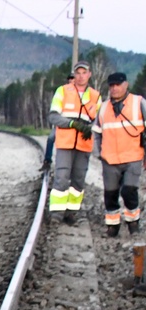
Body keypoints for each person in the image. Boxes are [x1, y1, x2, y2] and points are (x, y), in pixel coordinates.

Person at [47, 60, 101, 224]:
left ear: (89, 75)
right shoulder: (62, 91)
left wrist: (89, 128)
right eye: (78, 73)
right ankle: (56, 213)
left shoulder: (95, 96)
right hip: (65, 143)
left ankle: (71, 212)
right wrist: (72, 124)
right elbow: (53, 116)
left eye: (84, 72)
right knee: (61, 178)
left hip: (84, 145)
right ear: (74, 75)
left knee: (78, 179)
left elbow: (100, 121)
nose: (81, 76)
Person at [92, 72, 145, 237]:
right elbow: (97, 131)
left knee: (129, 191)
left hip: (133, 157)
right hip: (110, 159)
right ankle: (112, 226)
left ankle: (133, 223)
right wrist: (98, 152)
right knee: (110, 193)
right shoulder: (103, 107)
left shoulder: (139, 102)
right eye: (112, 85)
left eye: (118, 85)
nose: (114, 88)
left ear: (126, 85)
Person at [43, 72, 74, 172]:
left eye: (73, 79)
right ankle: (47, 161)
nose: (71, 81)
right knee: (51, 138)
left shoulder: (80, 94)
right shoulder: (63, 92)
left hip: (74, 125)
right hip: (61, 123)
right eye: (70, 79)